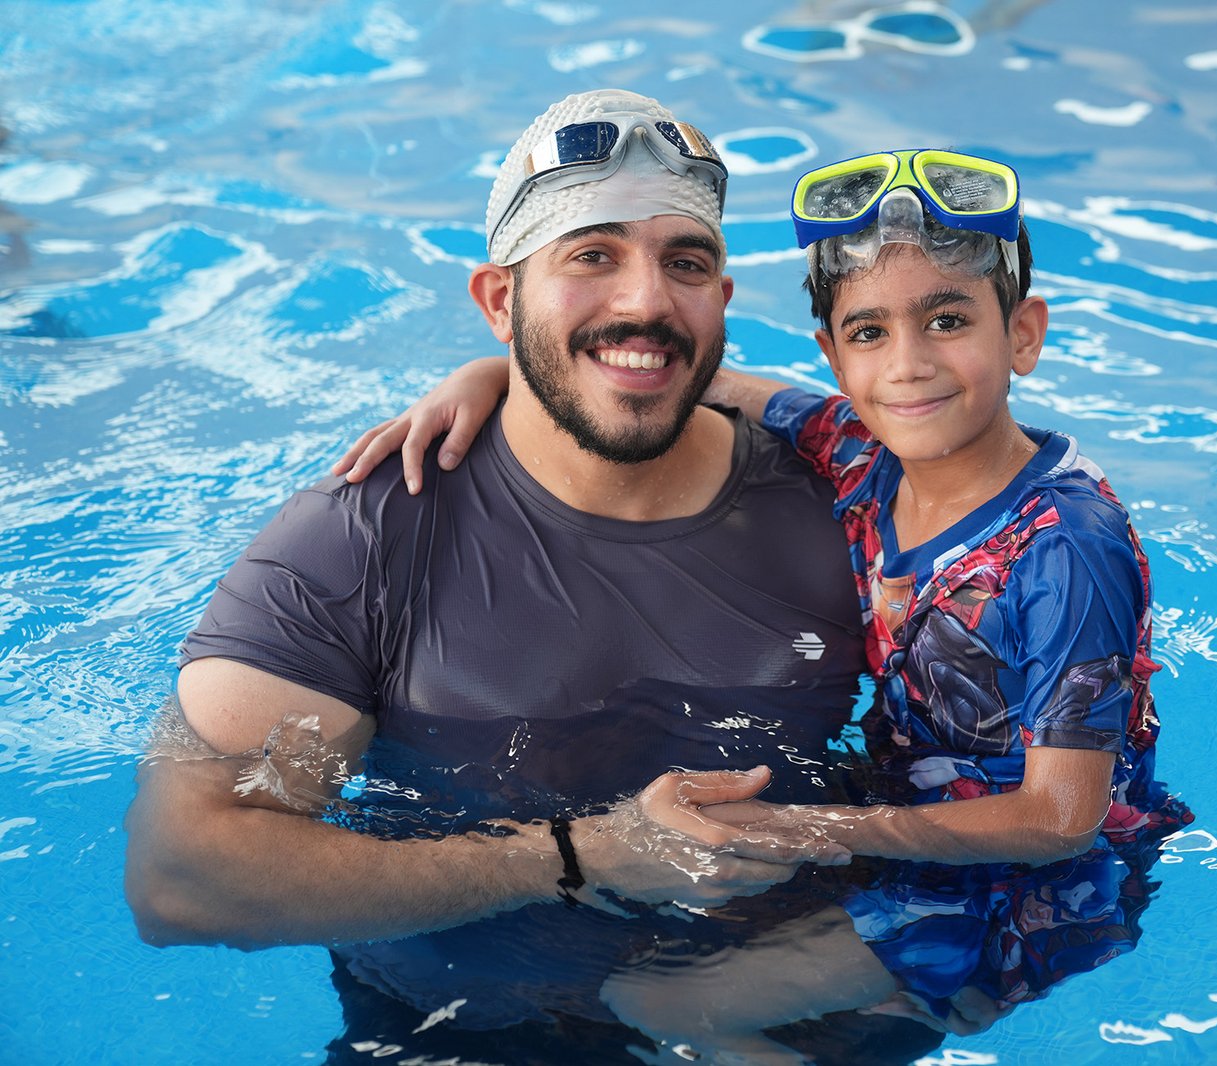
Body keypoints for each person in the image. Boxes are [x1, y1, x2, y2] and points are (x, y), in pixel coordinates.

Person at [123, 89, 947, 1062]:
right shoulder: (366, 538)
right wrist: (581, 856)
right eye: (591, 255)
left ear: (720, 304)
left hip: (796, 1016)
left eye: (684, 263)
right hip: (468, 1032)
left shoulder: (855, 507)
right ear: (499, 302)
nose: (645, 300)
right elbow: (180, 879)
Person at [341, 147, 1192, 1059]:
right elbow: (678, 376)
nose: (908, 365)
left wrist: (808, 829)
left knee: (661, 1002)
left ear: (1022, 334)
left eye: (948, 321)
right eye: (869, 333)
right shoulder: (863, 451)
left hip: (1030, 885)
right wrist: (494, 374)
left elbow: (1061, 819)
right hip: (915, 822)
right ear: (834, 356)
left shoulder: (1065, 547)